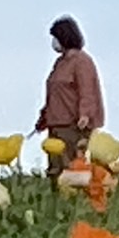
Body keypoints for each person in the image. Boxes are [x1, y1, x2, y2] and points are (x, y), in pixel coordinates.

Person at [34, 16, 105, 177]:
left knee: (71, 168)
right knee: (55, 168)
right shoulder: (60, 63)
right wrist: (43, 118)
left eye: (56, 37)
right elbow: (54, 94)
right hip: (56, 124)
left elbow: (87, 90)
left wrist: (85, 114)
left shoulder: (81, 61)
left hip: (73, 125)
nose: (53, 42)